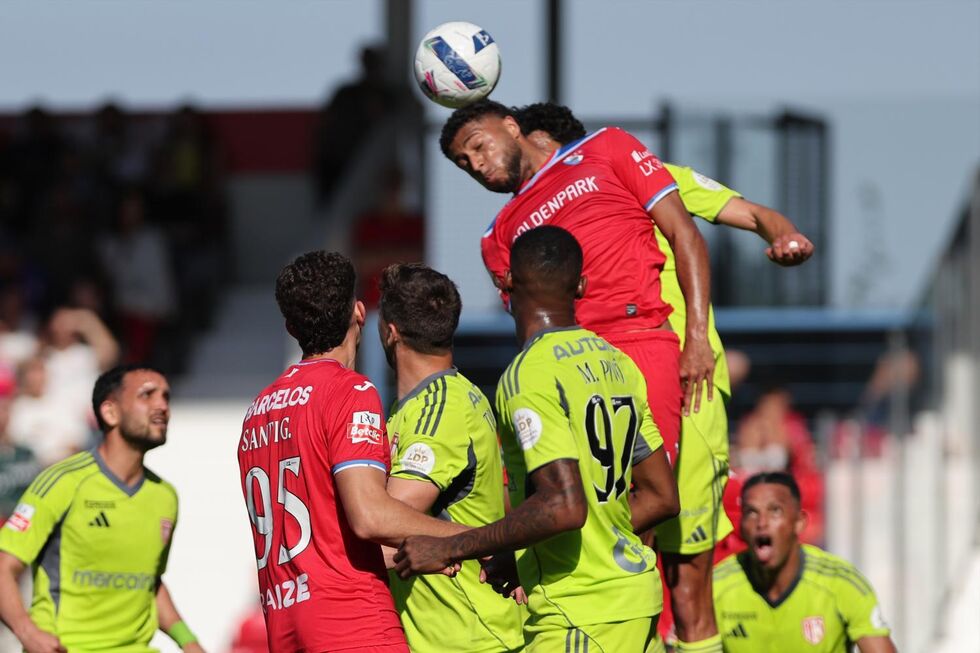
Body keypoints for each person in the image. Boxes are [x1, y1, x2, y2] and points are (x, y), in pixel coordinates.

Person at [512, 101, 815, 647]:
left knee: (684, 580)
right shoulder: (535, 228)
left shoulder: (639, 175)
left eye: (530, 149)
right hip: (609, 397)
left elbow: (748, 212)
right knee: (622, 564)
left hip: (685, 385)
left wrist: (783, 232)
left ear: (560, 147)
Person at [395, 226, 679, 652]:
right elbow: (661, 496)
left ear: (507, 281)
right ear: (581, 286)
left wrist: (451, 547)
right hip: (636, 601)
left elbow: (563, 505)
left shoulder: (530, 373)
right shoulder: (618, 363)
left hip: (579, 614)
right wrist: (523, 548)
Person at [237, 251, 470, 652]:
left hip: (285, 624)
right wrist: (475, 540)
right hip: (351, 623)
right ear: (359, 312)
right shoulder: (350, 390)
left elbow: (330, 538)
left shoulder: (258, 410)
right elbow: (370, 517)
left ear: (291, 326)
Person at [0, 364, 203, 653]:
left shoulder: (165, 497)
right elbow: (4, 566)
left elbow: (150, 582)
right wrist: (27, 633)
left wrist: (189, 642)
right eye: (147, 395)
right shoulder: (62, 481)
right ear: (110, 412)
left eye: (166, 397)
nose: (162, 406)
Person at [378, 262, 524, 652]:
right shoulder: (420, 405)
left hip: (467, 638)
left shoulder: (440, 409)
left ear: (389, 332)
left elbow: (385, 529)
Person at [713, 472, 896, 652]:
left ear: (799, 522)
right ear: (741, 526)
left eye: (775, 511)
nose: (762, 522)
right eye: (752, 513)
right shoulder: (717, 588)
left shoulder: (841, 584)